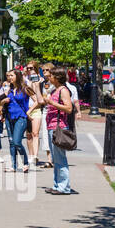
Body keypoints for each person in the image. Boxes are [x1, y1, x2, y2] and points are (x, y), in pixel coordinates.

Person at [43, 67, 78, 195]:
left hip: (59, 127)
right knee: (55, 159)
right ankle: (57, 185)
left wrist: (52, 102)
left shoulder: (63, 90)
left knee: (60, 158)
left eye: (51, 75)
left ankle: (64, 187)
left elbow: (69, 108)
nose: (49, 77)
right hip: (51, 126)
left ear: (57, 77)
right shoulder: (55, 90)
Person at [0, 69, 33, 171]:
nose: (9, 77)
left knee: (17, 142)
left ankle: (25, 162)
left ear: (18, 76)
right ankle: (13, 166)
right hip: (9, 118)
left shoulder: (25, 88)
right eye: (8, 76)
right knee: (11, 143)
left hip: (21, 117)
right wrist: (3, 102)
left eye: (11, 75)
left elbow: (38, 100)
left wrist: (29, 111)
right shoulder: (8, 90)